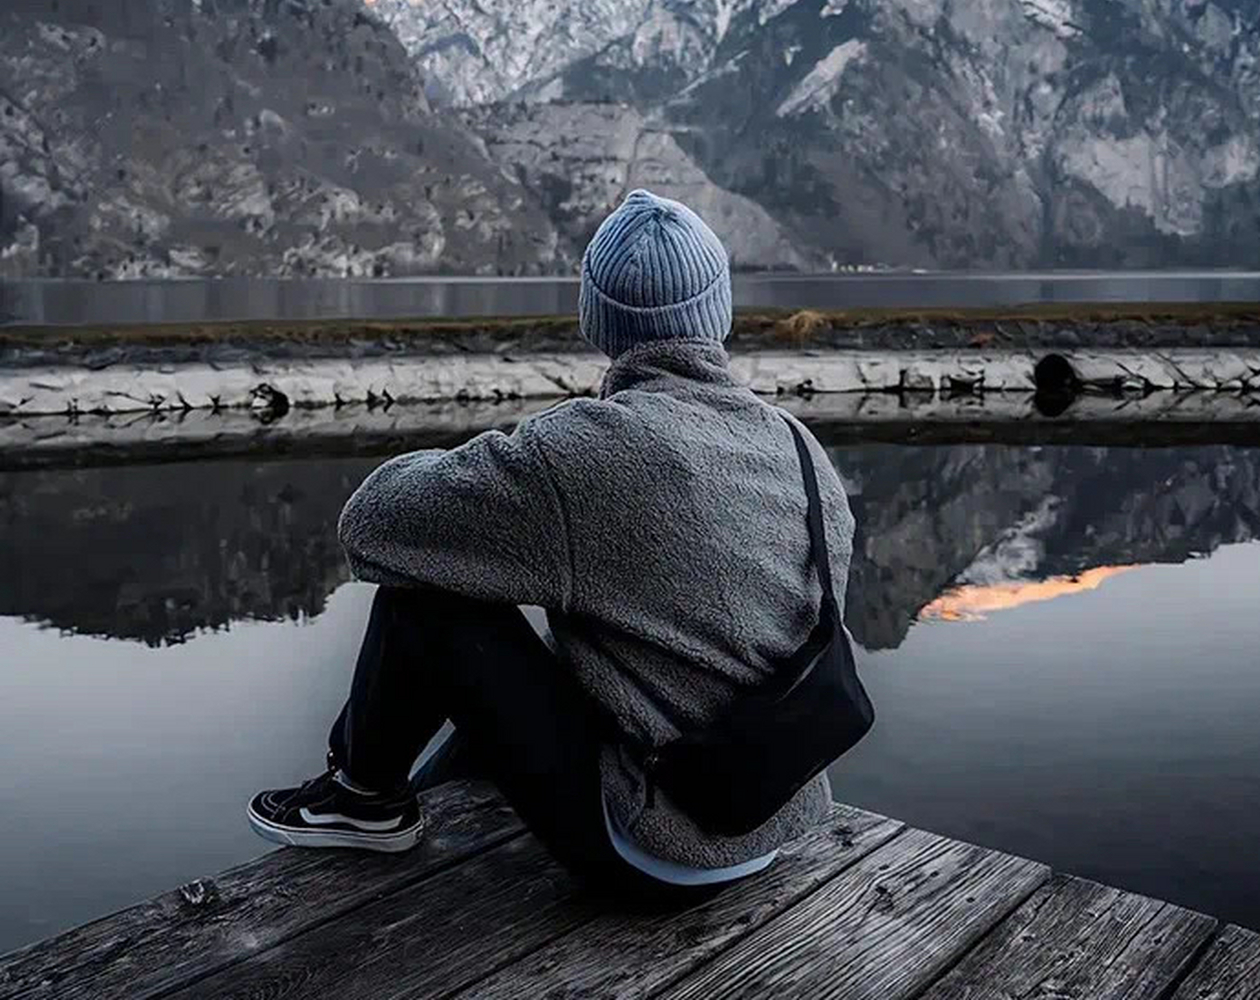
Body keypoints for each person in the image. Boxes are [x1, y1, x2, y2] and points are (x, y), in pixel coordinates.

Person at [247, 189, 856, 903]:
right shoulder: (797, 444)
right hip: (775, 816)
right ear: (717, 312)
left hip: (658, 849)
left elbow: (373, 522)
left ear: (596, 319)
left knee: (430, 605)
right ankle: (414, 792)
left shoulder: (585, 453)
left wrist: (486, 467)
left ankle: (364, 794)